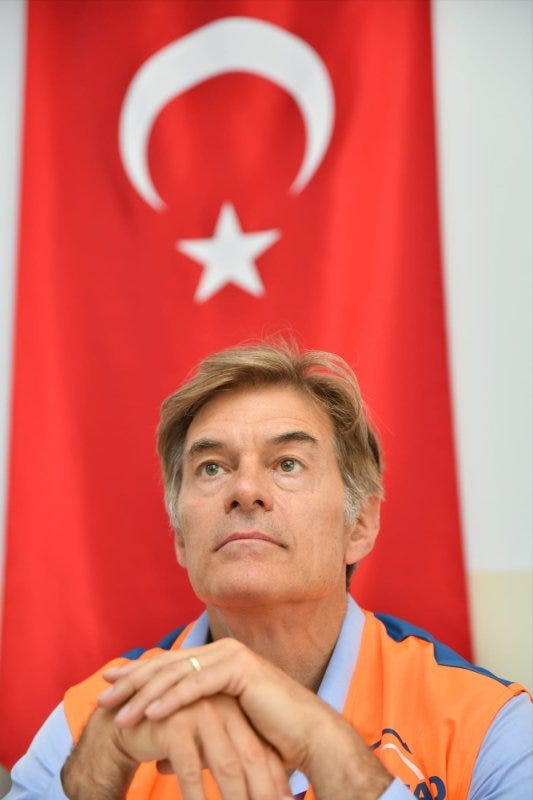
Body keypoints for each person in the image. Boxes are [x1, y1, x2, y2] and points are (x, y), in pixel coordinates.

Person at [7, 340, 532, 800]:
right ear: (181, 537)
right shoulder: (90, 723)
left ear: (360, 525)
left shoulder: (488, 725)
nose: (245, 490)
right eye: (212, 468)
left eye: (287, 464)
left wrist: (323, 743)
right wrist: (101, 766)